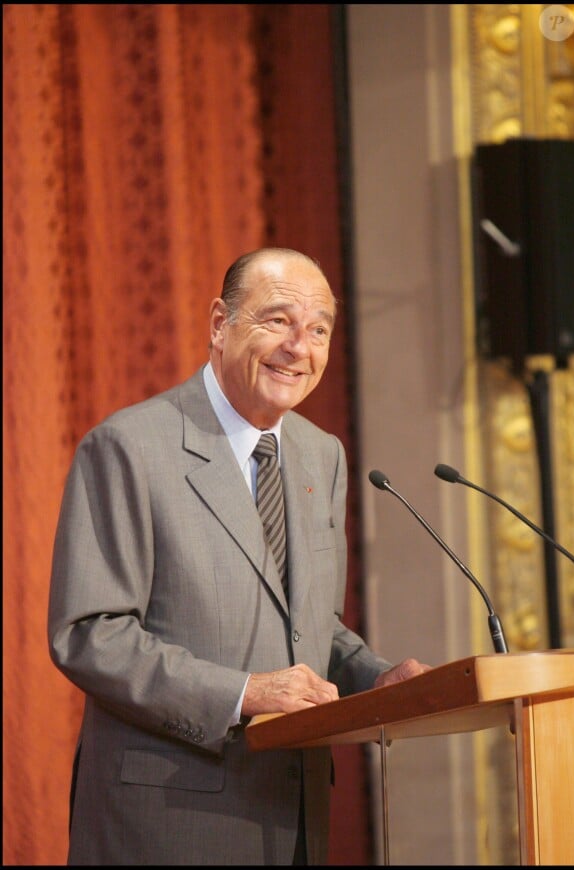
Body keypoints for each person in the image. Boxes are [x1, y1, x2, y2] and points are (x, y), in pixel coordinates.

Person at [48, 247, 429, 866]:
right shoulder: (128, 447)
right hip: (168, 819)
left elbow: (309, 624)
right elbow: (90, 634)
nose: (298, 347)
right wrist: (242, 693)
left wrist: (376, 681)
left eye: (319, 330)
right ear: (219, 325)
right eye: (277, 320)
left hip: (291, 813)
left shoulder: (320, 454)